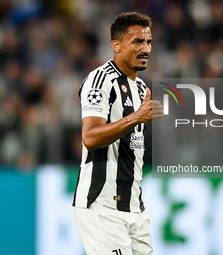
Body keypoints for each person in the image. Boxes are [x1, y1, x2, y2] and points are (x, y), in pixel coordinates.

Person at [72, 12, 163, 255]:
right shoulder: (100, 80)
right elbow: (90, 138)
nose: (146, 48)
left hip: (134, 208)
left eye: (149, 42)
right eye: (137, 42)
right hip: (102, 206)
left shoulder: (141, 88)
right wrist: (136, 117)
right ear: (116, 45)